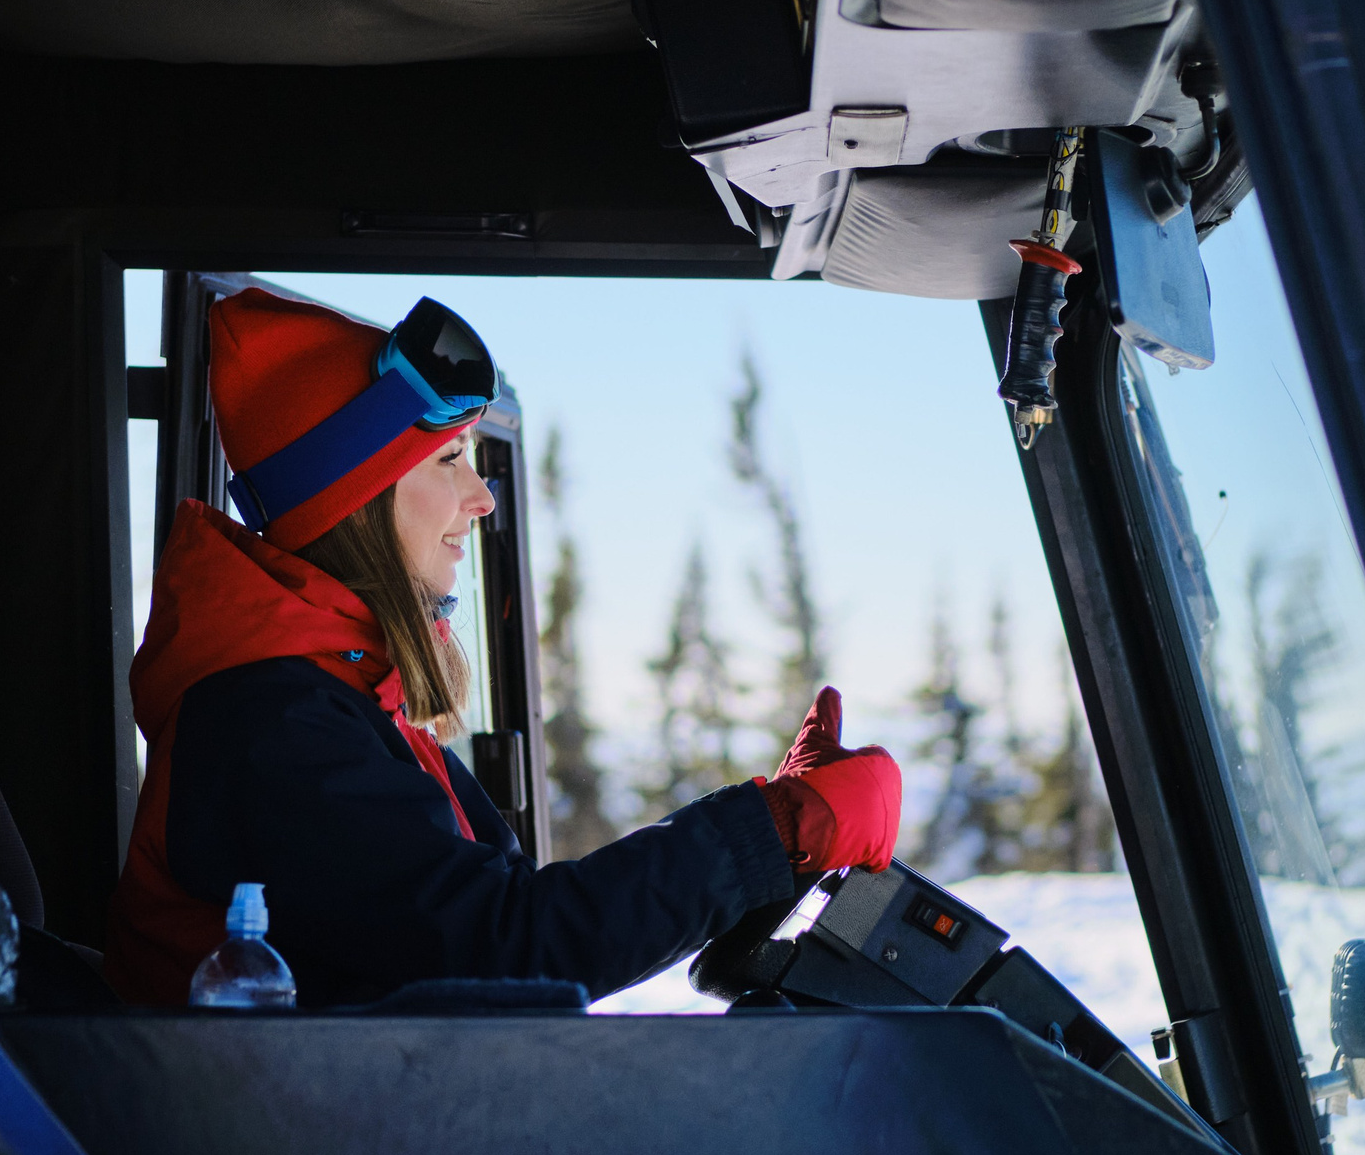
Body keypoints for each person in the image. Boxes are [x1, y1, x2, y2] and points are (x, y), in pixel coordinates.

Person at [105, 286, 903, 1006]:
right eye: (449, 458)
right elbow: (506, 944)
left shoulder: (341, 702)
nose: (481, 496)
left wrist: (777, 839)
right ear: (355, 499)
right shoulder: (271, 731)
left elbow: (500, 923)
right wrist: (776, 827)